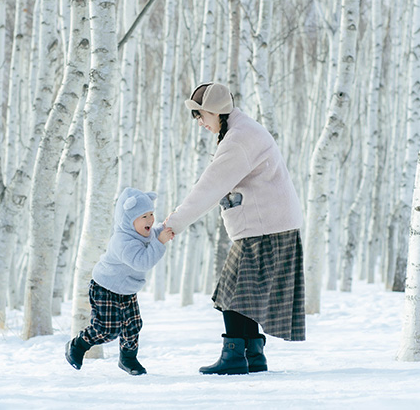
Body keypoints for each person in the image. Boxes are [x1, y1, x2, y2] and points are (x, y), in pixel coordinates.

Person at [165, 82, 305, 375]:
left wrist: (174, 222)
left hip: (265, 227)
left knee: (231, 294)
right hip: (270, 225)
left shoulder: (238, 140)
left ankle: (233, 357)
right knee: (244, 295)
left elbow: (209, 188)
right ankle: (252, 355)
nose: (200, 122)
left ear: (217, 112)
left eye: (200, 115)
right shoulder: (240, 131)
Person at [65, 187, 175, 375]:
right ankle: (78, 345)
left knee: (133, 325)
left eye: (151, 214)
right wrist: (160, 242)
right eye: (144, 216)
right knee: (108, 329)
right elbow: (143, 262)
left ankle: (128, 359)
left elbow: (153, 235)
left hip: (126, 289)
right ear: (128, 219)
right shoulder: (122, 241)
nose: (150, 220)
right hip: (106, 287)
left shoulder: (140, 233)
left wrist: (164, 228)